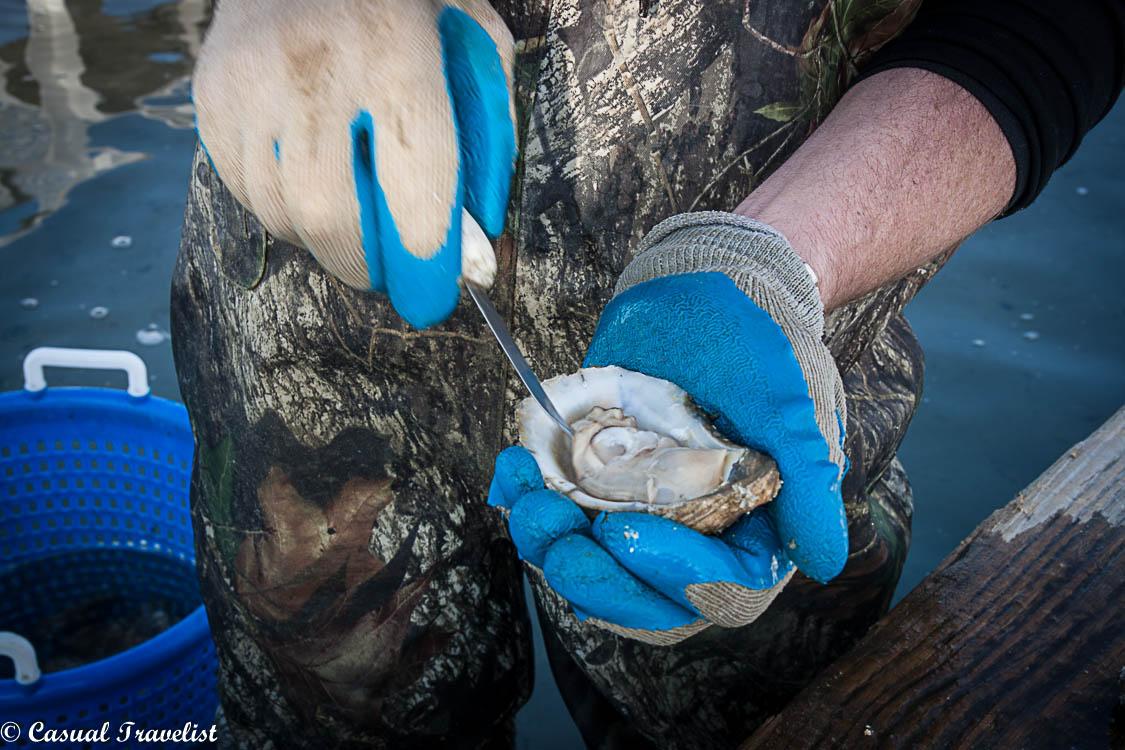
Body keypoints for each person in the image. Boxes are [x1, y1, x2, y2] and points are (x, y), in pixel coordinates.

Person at [175, 1, 1124, 747]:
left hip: (743, 344)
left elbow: (1053, 23)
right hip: (314, 282)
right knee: (333, 717)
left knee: (758, 713)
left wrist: (771, 259)